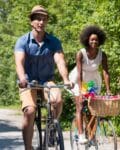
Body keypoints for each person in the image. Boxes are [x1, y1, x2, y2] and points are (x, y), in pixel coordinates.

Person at [14, 5, 72, 150]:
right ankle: (28, 147)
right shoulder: (22, 41)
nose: (41, 22)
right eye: (38, 19)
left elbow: (59, 61)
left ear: (46, 22)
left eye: (44, 19)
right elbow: (19, 63)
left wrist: (65, 79)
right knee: (30, 111)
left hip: (47, 81)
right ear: (31, 22)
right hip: (28, 82)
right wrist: (22, 78)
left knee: (57, 100)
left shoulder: (53, 41)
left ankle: (51, 130)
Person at [69, 25, 111, 144]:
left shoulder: (102, 55)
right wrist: (82, 91)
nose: (94, 41)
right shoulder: (81, 54)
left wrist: (108, 90)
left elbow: (106, 72)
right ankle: (81, 134)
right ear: (87, 40)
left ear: (100, 41)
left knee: (94, 109)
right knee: (80, 106)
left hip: (93, 81)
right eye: (92, 39)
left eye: (96, 40)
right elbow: (79, 73)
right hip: (80, 80)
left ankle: (91, 135)